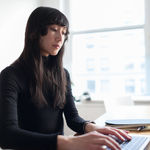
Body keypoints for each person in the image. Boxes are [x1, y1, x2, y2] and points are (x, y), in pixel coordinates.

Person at [0, 6, 131, 150]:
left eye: (64, 32)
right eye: (54, 29)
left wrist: (91, 127)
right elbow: (7, 135)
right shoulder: (11, 75)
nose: (60, 38)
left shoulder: (63, 74)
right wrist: (68, 142)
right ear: (35, 32)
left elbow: (72, 118)